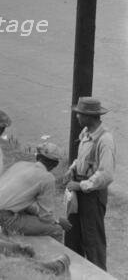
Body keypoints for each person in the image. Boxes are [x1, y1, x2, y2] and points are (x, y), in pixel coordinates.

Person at [64, 97, 116, 271]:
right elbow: (82, 158)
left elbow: (106, 174)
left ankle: (98, 274)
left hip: (92, 195)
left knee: (92, 240)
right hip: (79, 191)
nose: (77, 117)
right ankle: (76, 272)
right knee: (73, 235)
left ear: (90, 116)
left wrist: (81, 186)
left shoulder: (105, 140)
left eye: (80, 114)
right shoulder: (85, 133)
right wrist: (72, 169)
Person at [0, 142, 72, 241]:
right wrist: (57, 222)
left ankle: (3, 230)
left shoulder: (20, 165)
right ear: (56, 164)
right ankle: (55, 256)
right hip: (2, 218)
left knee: (29, 216)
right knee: (56, 230)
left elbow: (20, 202)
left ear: (37, 157)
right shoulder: (47, 178)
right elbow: (45, 216)